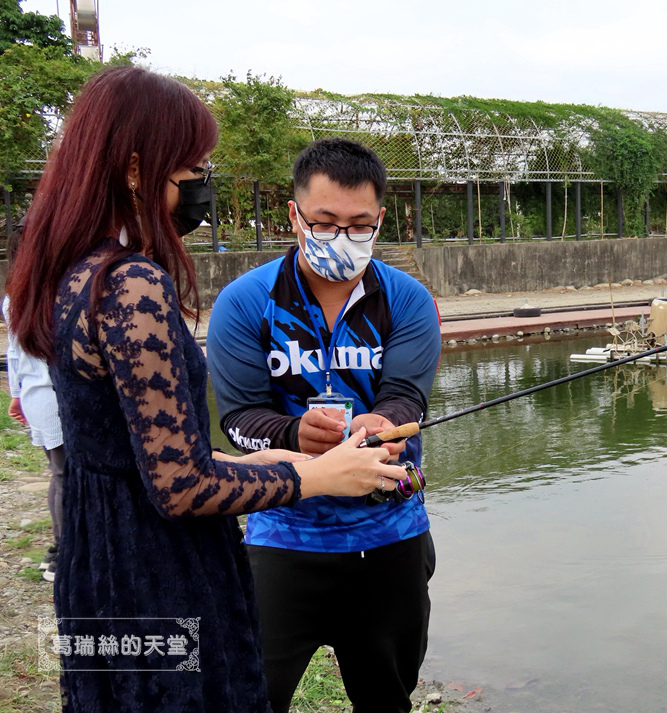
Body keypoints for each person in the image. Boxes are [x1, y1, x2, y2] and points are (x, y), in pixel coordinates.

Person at [5, 67, 407, 713]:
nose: (200, 184)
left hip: (97, 561)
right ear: (138, 168)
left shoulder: (72, 272)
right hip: (156, 573)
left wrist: (255, 460)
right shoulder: (131, 285)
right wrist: (319, 477)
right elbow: (180, 489)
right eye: (190, 167)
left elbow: (131, 451)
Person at [206, 138, 442, 713]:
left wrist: (381, 423)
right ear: (295, 216)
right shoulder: (244, 303)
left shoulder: (407, 300)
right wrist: (292, 435)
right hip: (281, 536)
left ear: (380, 220)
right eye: (325, 221)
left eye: (360, 224)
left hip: (390, 538)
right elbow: (238, 418)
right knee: (251, 694)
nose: (343, 236)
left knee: (387, 696)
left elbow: (408, 396)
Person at [3, 222, 64, 583]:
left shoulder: (13, 297)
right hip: (57, 399)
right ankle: (62, 552)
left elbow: (13, 353)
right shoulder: (55, 293)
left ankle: (59, 550)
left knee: (59, 475)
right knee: (67, 478)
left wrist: (15, 395)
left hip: (35, 397)